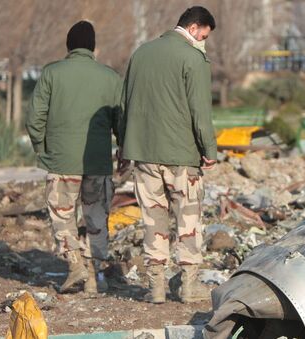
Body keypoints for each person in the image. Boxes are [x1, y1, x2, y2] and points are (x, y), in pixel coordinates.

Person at [118, 6, 217, 304]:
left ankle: (156, 288)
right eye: (204, 34)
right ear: (195, 26)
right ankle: (188, 287)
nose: (204, 40)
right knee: (187, 221)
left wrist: (124, 146)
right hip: (182, 156)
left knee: (153, 221)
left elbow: (124, 105)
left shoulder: (141, 54)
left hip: (144, 154)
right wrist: (209, 150)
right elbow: (201, 111)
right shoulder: (193, 59)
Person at [26, 21, 122, 294]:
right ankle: (93, 276)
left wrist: (43, 148)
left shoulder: (51, 73)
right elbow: (122, 121)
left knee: (62, 215)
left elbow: (35, 118)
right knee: (96, 218)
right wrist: (122, 149)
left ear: (68, 46)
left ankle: (74, 263)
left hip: (61, 160)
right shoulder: (111, 77)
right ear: (93, 47)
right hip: (98, 161)